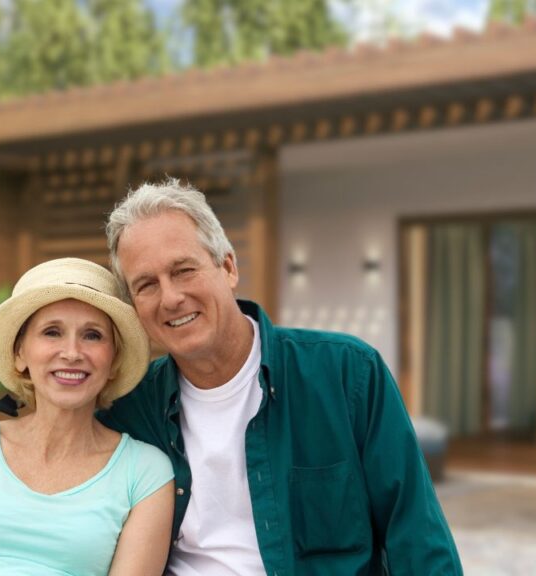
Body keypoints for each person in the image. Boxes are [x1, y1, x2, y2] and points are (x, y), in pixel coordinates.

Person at [98, 179, 462, 575]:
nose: (170, 298)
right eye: (146, 285)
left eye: (183, 271)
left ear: (228, 267)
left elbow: (417, 536)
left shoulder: (346, 374)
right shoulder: (129, 408)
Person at [0, 258, 175, 576]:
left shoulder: (145, 472)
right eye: (52, 332)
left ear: (113, 360)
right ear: (20, 354)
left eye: (92, 336)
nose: (72, 352)